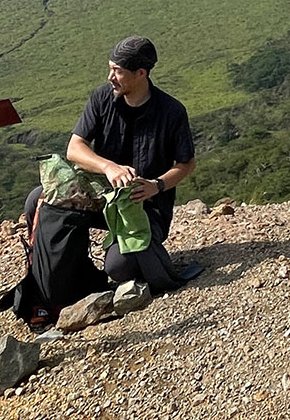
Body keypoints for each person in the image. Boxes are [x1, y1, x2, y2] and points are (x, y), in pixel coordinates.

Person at [65, 35, 201, 295]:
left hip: (145, 206)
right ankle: (55, 281)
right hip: (102, 199)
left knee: (119, 268)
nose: (110, 77)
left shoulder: (171, 111)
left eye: (117, 71)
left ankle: (124, 254)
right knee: (39, 201)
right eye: (110, 68)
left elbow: (186, 163)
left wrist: (156, 186)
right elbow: (74, 148)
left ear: (141, 73)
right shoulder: (101, 98)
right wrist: (108, 167)